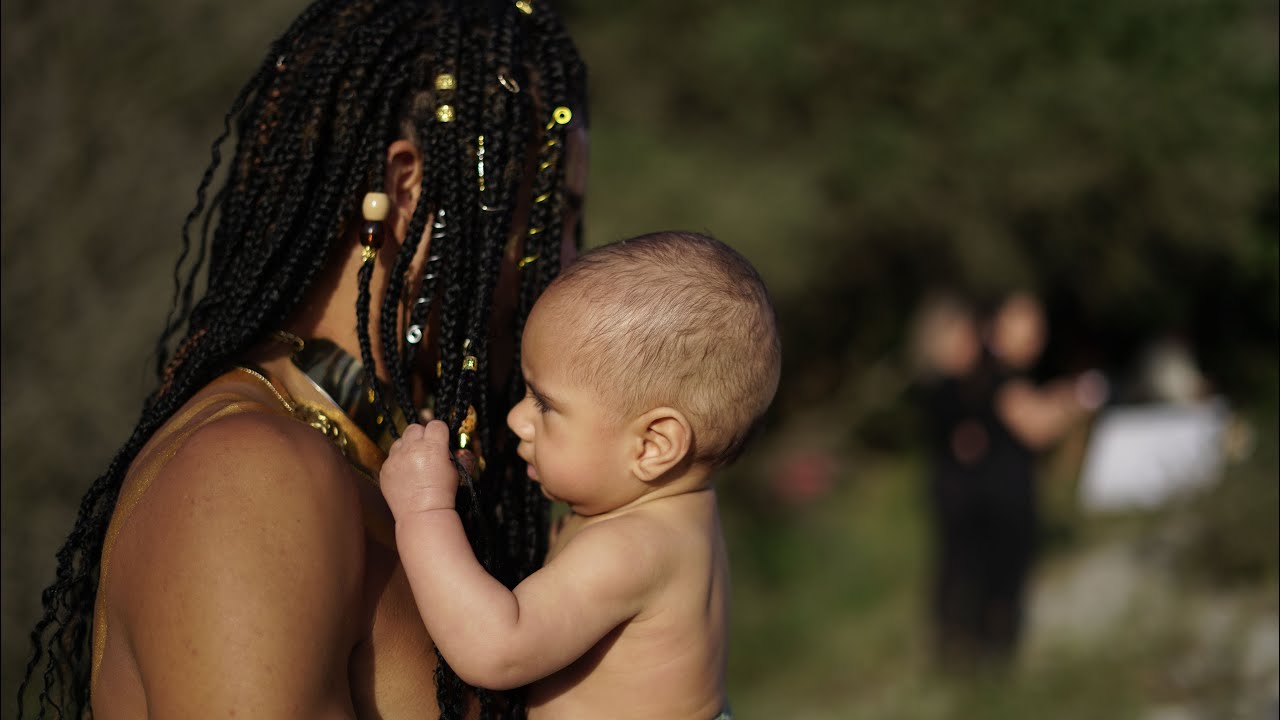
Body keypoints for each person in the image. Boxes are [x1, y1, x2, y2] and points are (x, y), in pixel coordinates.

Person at [19, 1, 587, 718]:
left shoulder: (376, 469)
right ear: (409, 190)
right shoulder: (251, 477)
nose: (570, 268)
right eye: (548, 221)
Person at [380, 231, 782, 720]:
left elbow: (497, 649)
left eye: (545, 404)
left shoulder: (630, 547)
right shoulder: (677, 512)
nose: (516, 419)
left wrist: (424, 510)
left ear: (654, 445)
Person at [914, 291, 1104, 669]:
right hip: (993, 507)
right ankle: (981, 665)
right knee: (989, 591)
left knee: (978, 585)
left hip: (985, 504)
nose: (1036, 334)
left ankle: (975, 663)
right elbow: (1035, 424)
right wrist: (1076, 401)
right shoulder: (989, 376)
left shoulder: (984, 377)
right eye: (1026, 322)